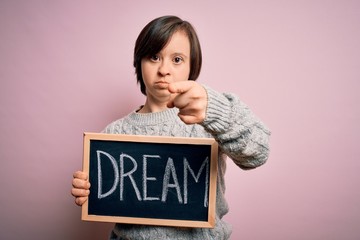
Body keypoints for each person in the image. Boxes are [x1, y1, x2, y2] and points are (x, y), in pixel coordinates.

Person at [71, 15, 270, 240]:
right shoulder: (113, 134)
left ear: (192, 66)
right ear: (139, 62)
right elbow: (108, 200)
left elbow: (259, 153)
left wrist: (215, 110)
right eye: (154, 57)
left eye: (177, 59)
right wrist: (88, 190)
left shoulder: (209, 122)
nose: (164, 69)